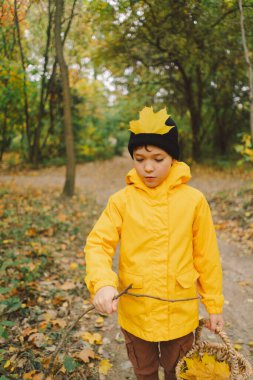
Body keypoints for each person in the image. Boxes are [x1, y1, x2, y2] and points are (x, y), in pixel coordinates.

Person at [84, 106, 224, 380]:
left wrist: (214, 306)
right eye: (139, 158)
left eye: (158, 158)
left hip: (180, 312)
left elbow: (207, 256)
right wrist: (102, 283)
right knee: (144, 371)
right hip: (138, 312)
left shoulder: (193, 201)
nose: (148, 167)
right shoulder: (121, 201)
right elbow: (98, 244)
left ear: (173, 158)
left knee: (179, 371)